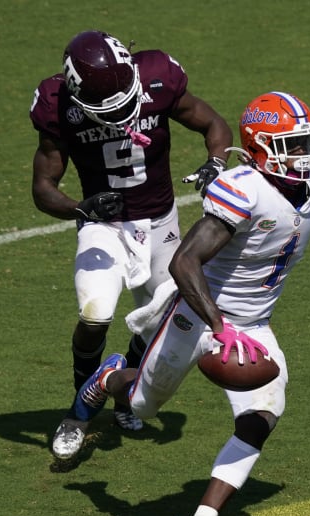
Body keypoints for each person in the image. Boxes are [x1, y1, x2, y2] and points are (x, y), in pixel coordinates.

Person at [59, 91, 310, 516]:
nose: (305, 155)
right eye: (292, 145)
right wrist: (218, 324)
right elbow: (185, 261)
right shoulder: (244, 188)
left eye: (307, 142)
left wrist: (235, 328)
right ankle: (107, 378)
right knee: (142, 402)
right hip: (197, 314)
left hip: (253, 324)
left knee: (265, 411)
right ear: (262, 147)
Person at [29, 30, 233, 456]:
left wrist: (216, 163)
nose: (122, 110)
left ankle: (125, 386)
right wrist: (81, 210)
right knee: (96, 313)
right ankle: (80, 408)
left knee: (163, 320)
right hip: (104, 226)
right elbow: (43, 186)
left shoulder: (156, 77)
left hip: (161, 221)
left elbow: (213, 123)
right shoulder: (58, 104)